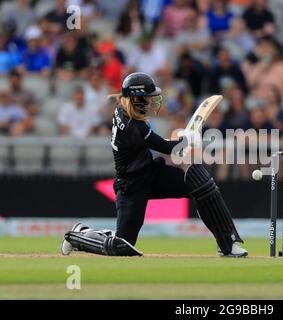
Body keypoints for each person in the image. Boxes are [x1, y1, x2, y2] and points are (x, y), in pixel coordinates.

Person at [61, 72, 248, 258]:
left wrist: (183, 140)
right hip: (131, 186)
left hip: (150, 173)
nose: (151, 102)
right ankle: (79, 235)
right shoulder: (135, 127)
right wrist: (188, 140)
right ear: (136, 98)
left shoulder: (122, 110)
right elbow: (167, 148)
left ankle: (227, 243)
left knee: (199, 182)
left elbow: (157, 144)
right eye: (148, 97)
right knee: (122, 245)